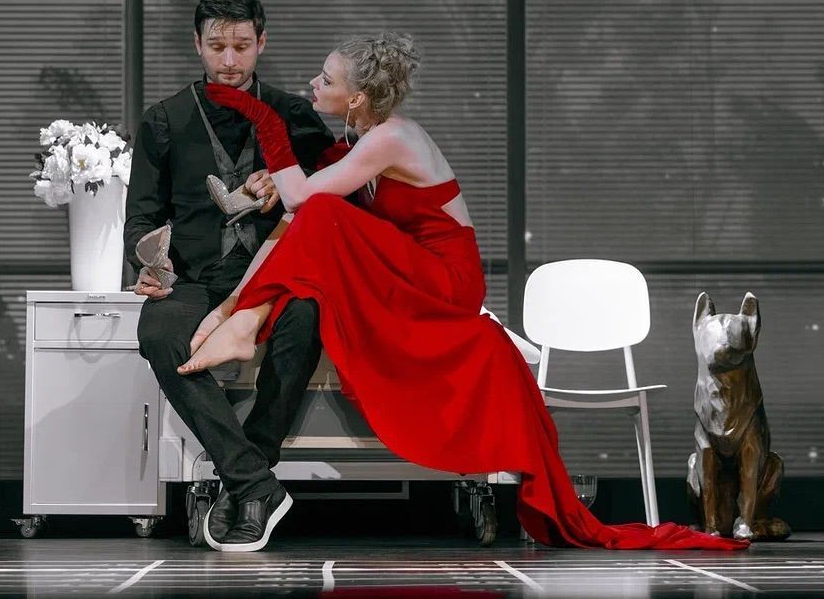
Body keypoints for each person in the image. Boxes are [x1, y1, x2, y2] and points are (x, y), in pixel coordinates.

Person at [179, 32, 749, 552]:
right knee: (317, 227)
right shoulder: (361, 142)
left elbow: (303, 200)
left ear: (357, 99)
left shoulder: (393, 138)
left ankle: (245, 331)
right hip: (412, 272)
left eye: (326, 79)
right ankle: (244, 325)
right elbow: (293, 222)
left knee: (323, 214)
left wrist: (262, 116)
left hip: (444, 280)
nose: (314, 84)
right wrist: (232, 305)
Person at [125, 0, 335, 554]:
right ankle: (253, 482)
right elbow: (142, 216)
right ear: (197, 45)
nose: (229, 60)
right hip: (196, 279)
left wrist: (288, 190)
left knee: (305, 320)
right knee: (159, 335)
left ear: (261, 42)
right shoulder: (164, 120)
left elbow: (333, 203)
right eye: (217, 46)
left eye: (242, 46)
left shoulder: (296, 116)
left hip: (279, 277)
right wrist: (147, 266)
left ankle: (247, 477)